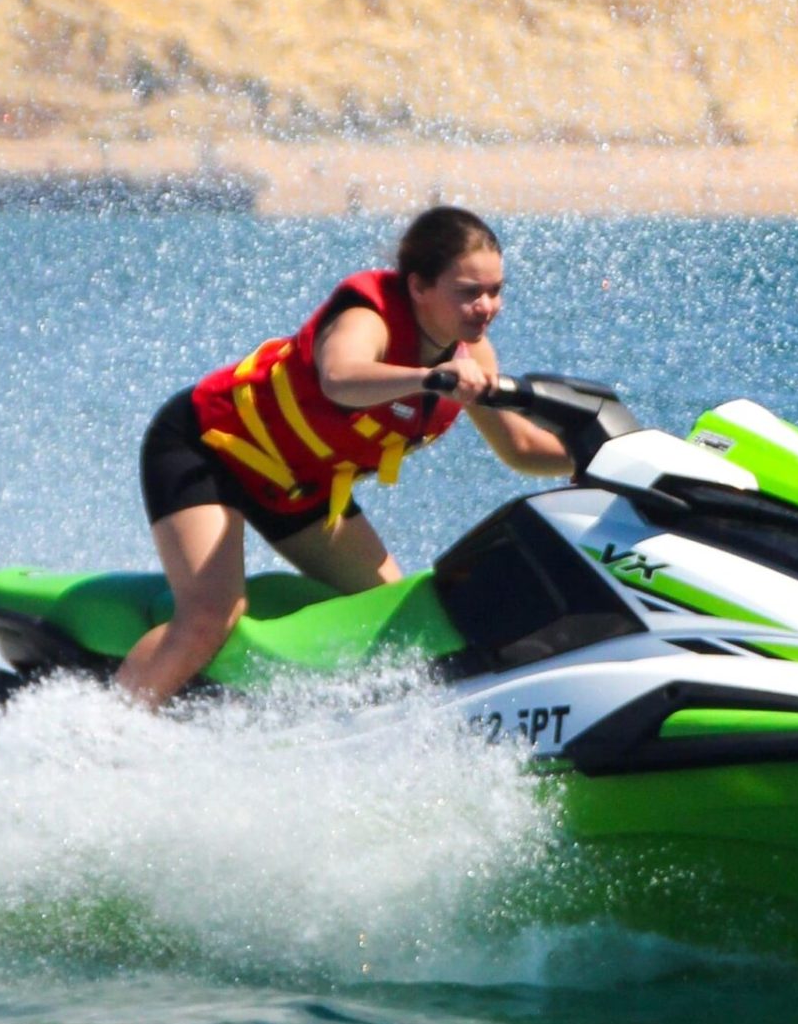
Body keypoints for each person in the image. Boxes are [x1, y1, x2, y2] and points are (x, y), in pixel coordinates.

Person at [116, 207, 571, 709]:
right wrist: (429, 378)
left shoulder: (472, 357)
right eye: (468, 292)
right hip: (208, 448)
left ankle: (308, 720)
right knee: (211, 613)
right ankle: (104, 731)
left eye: (496, 291)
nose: (486, 307)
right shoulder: (368, 316)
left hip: (298, 487)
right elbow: (340, 377)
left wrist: (614, 455)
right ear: (419, 286)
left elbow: (522, 449)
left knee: (395, 622)